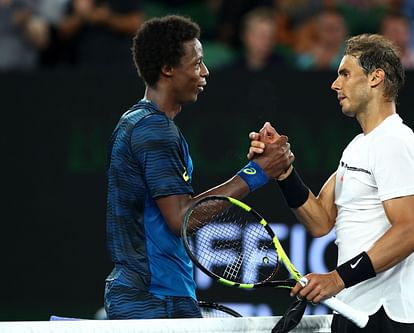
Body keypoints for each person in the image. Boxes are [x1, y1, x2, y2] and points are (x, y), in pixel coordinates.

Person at [104, 15, 294, 319]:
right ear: (167, 69)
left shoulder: (136, 122)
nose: (205, 72)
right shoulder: (155, 130)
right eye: (196, 64)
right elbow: (181, 218)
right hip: (156, 299)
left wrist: (256, 168)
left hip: (149, 294)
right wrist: (258, 172)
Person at [249, 34, 414, 332]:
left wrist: (336, 278)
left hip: (386, 317)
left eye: (345, 73)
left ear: (375, 78)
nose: (335, 84)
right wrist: (283, 172)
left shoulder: (395, 142)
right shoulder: (359, 145)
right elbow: (320, 220)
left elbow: (410, 232)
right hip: (353, 310)